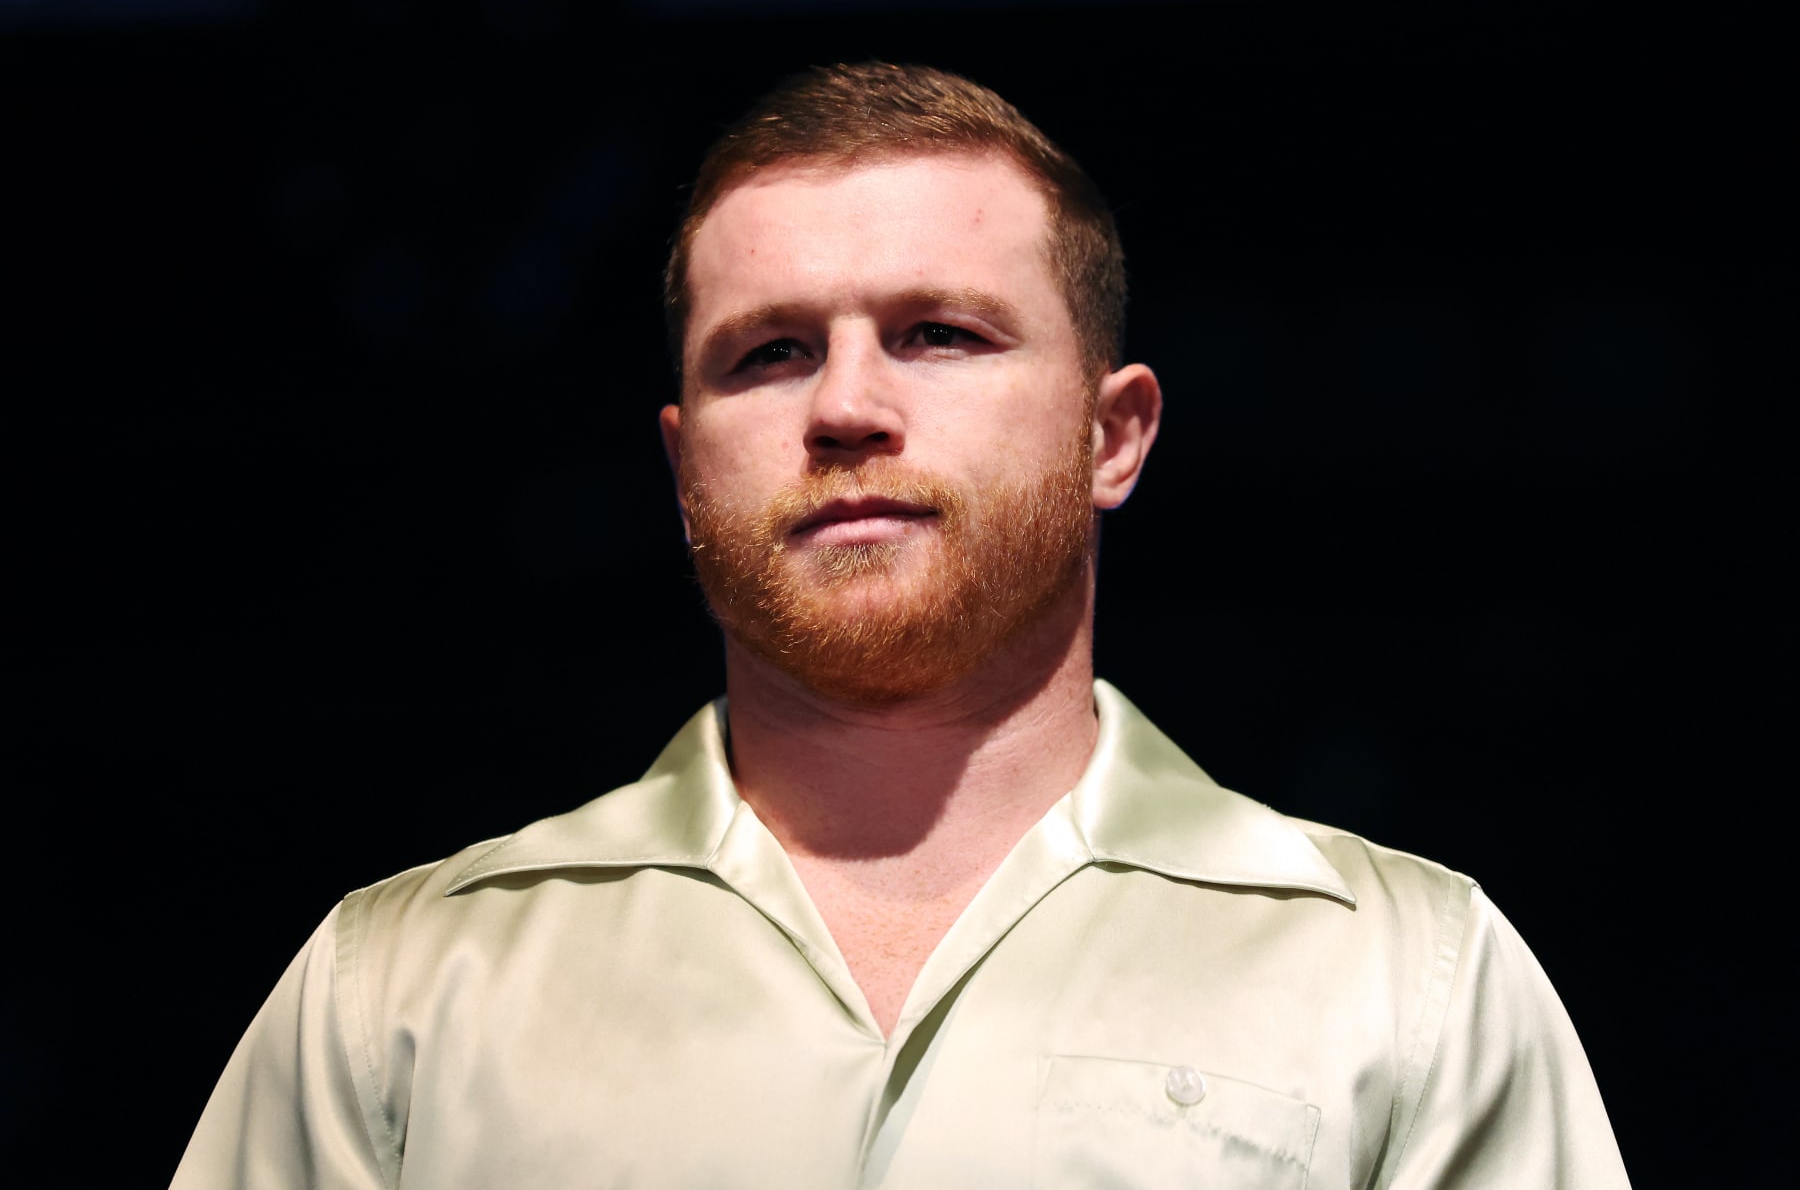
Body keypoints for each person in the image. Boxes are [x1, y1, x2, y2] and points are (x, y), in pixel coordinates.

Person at [172, 62, 1628, 1188]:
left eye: (940, 333)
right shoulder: (403, 994)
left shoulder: (1403, 978)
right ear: (684, 466)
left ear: (1113, 435)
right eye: (773, 352)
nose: (849, 406)